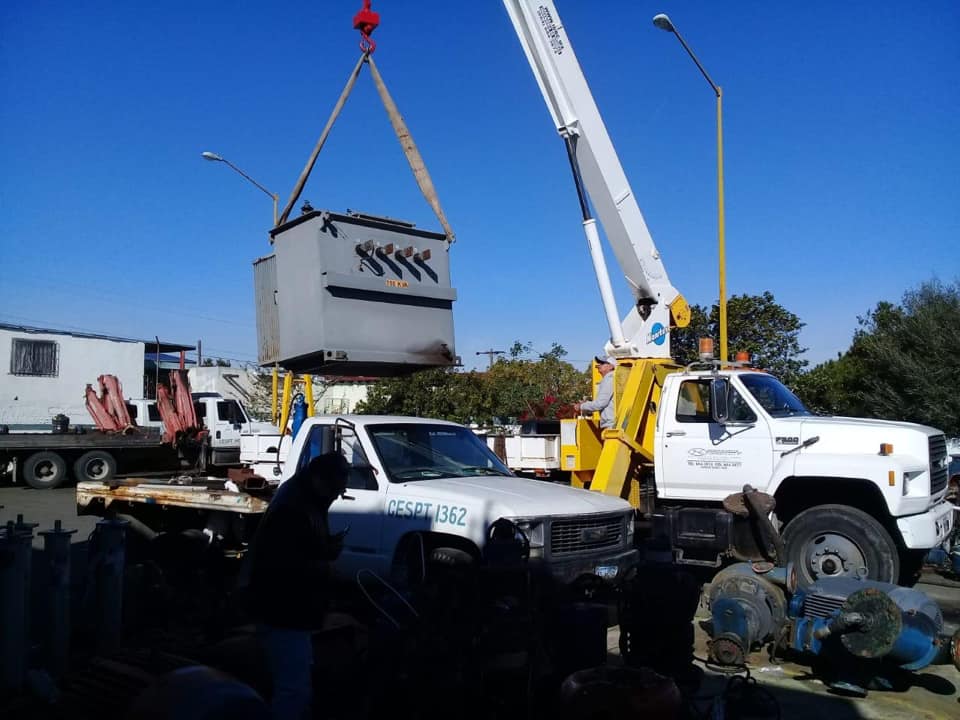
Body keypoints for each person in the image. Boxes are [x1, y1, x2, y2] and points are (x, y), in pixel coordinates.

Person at [246, 451, 349, 720]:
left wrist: (326, 549)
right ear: (319, 480)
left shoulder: (305, 498)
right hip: (285, 610)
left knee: (292, 682)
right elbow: (283, 563)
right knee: (293, 690)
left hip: (288, 609)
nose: (337, 496)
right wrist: (324, 564)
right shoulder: (294, 508)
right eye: (335, 489)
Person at [574, 355, 617, 429]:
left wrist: (581, 406)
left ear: (611, 366)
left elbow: (600, 404)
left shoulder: (609, 378)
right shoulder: (613, 378)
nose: (599, 364)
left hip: (611, 425)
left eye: (602, 363)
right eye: (599, 362)